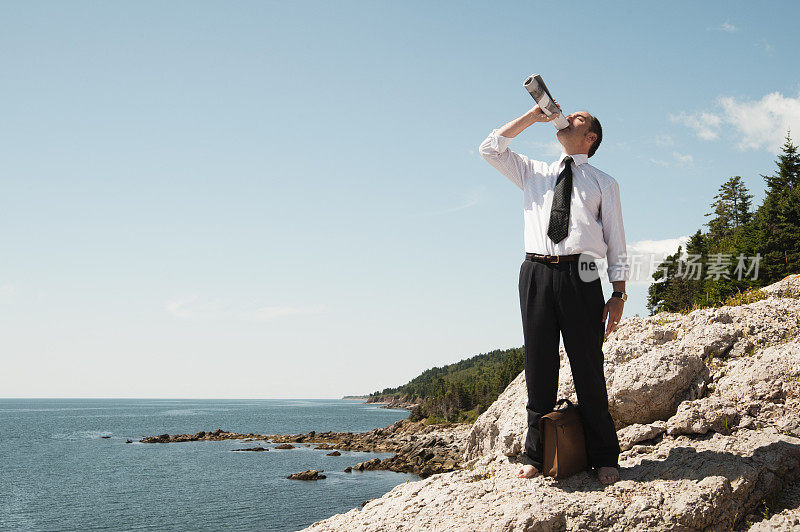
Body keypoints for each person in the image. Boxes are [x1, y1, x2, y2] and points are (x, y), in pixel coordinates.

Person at [478, 104, 628, 486]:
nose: (567, 117)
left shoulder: (603, 182)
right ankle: (536, 455)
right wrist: (533, 115)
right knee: (539, 366)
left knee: (588, 367)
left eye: (577, 118)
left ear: (589, 137)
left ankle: (604, 457)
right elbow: (490, 148)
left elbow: (616, 241)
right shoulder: (535, 172)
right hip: (536, 272)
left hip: (582, 273)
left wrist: (618, 294)